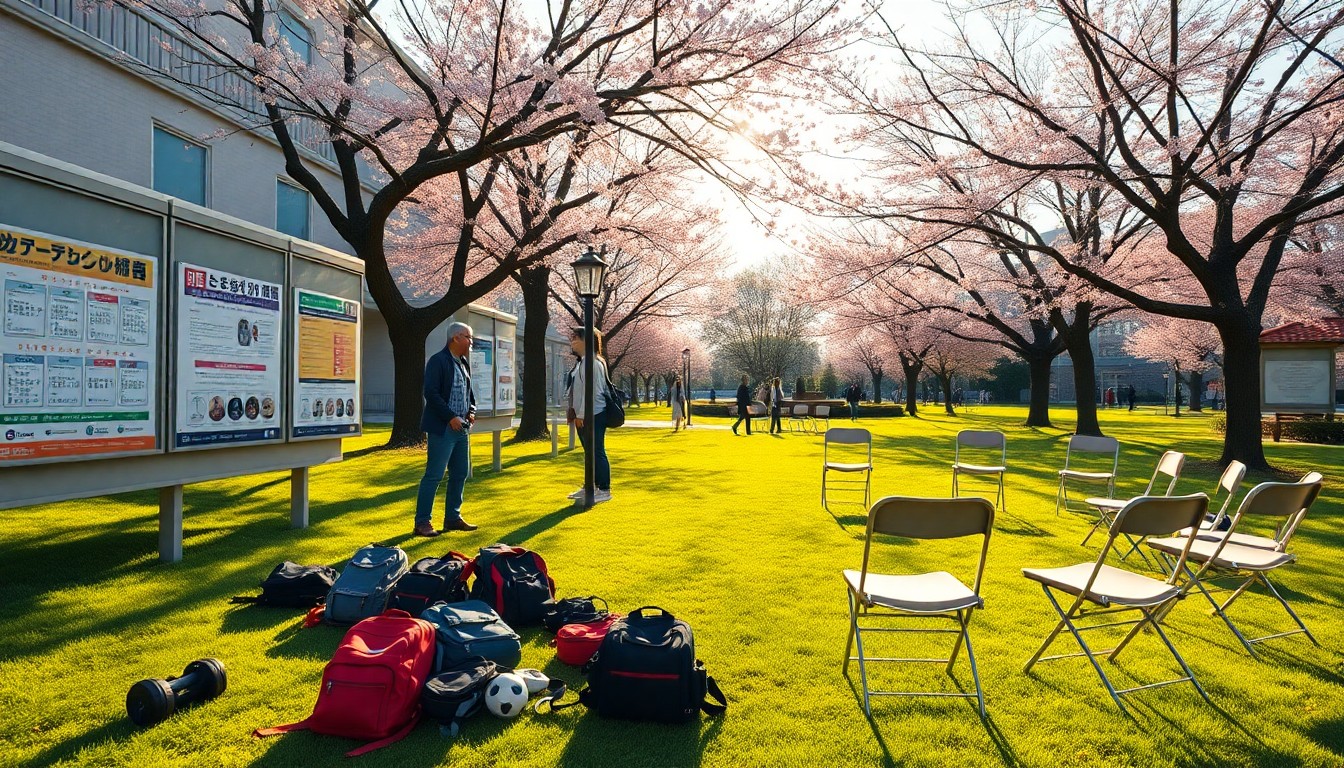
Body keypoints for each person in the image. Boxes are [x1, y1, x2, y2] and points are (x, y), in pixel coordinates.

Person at [415, 322, 478, 536]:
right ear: (456, 338)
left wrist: (471, 411)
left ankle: (453, 517)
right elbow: (431, 394)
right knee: (434, 475)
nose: (471, 342)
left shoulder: (463, 363)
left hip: (462, 429)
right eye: (469, 337)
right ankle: (422, 522)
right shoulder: (438, 361)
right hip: (443, 428)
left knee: (460, 473)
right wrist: (451, 417)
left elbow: (469, 394)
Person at [566, 327, 612, 503]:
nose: (572, 341)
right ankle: (590, 485)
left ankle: (604, 488)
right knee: (590, 451)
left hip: (593, 414)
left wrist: (582, 415)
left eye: (575, 337)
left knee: (597, 451)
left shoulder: (592, 363)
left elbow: (591, 392)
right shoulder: (583, 362)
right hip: (585, 414)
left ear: (586, 340)